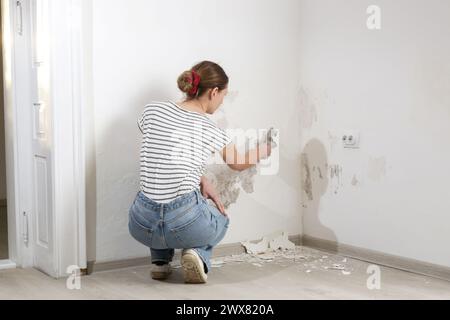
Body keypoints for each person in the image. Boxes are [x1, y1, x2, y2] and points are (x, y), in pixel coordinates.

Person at [128, 61, 272, 284]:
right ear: (214, 92)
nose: (221, 102)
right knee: (221, 219)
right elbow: (238, 163)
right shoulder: (210, 128)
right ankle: (197, 255)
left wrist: (200, 178)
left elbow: (164, 153)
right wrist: (265, 149)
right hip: (183, 225)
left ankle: (159, 263)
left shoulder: (152, 110)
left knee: (158, 202)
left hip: (140, 224)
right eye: (223, 96)